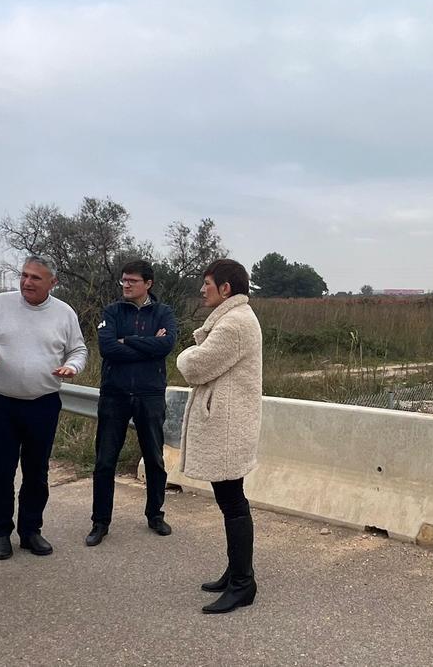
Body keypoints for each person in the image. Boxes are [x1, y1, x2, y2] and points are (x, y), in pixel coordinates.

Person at [0, 256, 87, 560]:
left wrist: (72, 366)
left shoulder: (64, 313)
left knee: (37, 472)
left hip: (42, 405)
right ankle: (1, 532)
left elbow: (78, 350)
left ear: (52, 283)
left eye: (35, 278)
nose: (27, 282)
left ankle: (31, 531)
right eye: (24, 275)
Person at [176, 259, 262, 614]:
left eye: (207, 283)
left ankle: (243, 583)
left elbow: (196, 367)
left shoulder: (234, 324)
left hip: (229, 427)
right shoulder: (236, 319)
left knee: (233, 503)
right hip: (229, 424)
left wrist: (183, 354)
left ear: (226, 288)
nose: (202, 289)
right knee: (231, 502)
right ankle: (237, 572)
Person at [86, 260, 178, 546]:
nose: (126, 285)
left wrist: (127, 341)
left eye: (132, 281)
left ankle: (155, 515)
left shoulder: (164, 312)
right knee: (105, 461)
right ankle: (100, 522)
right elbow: (107, 348)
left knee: (154, 458)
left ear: (148, 284)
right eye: (123, 280)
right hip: (115, 394)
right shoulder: (112, 311)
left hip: (150, 394)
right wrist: (146, 343)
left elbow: (166, 345)